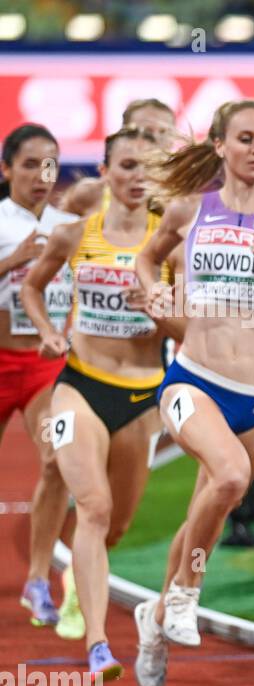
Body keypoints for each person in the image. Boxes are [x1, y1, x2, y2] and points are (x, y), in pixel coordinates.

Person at [131, 99, 254, 686]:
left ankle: (155, 619)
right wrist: (152, 294)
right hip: (193, 379)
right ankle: (185, 596)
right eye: (247, 138)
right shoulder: (189, 208)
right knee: (234, 478)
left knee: (206, 507)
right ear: (220, 146)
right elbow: (146, 258)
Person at [20, 126, 181, 678]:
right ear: (106, 172)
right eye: (128, 167)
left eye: (148, 169)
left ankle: (78, 581)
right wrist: (47, 330)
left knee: (117, 524)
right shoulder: (74, 234)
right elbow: (31, 287)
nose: (138, 179)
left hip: (142, 397)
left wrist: (160, 310)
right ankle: (97, 644)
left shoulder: (170, 241)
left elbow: (190, 325)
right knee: (93, 508)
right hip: (79, 387)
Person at [0, 124, 79, 628]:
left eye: (50, 165)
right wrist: (15, 260)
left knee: (58, 458)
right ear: (6, 168)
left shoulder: (71, 225)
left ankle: (36, 578)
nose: (41, 176)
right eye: (30, 164)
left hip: (45, 368)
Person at [60, 100, 178, 217]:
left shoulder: (184, 195)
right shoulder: (89, 194)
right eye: (147, 131)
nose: (156, 138)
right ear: (126, 133)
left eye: (164, 131)